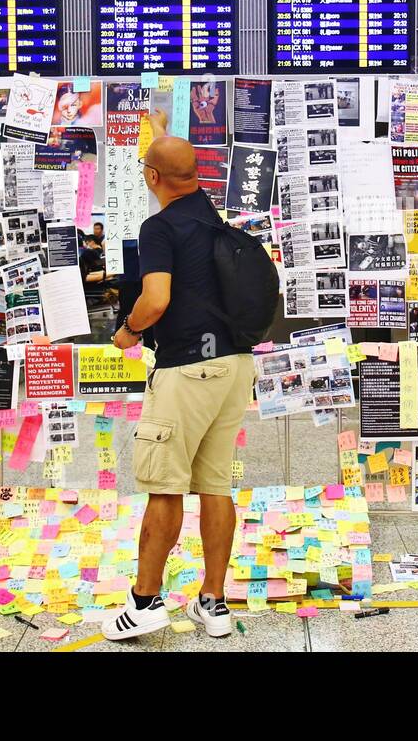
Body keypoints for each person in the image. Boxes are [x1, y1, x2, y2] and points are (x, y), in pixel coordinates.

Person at [103, 131, 255, 642]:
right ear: (195, 173)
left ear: (151, 178)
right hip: (234, 366)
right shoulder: (215, 221)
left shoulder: (159, 227)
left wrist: (128, 331)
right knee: (215, 485)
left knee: (164, 484)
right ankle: (214, 602)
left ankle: (144, 602)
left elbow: (156, 298)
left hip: (187, 369)